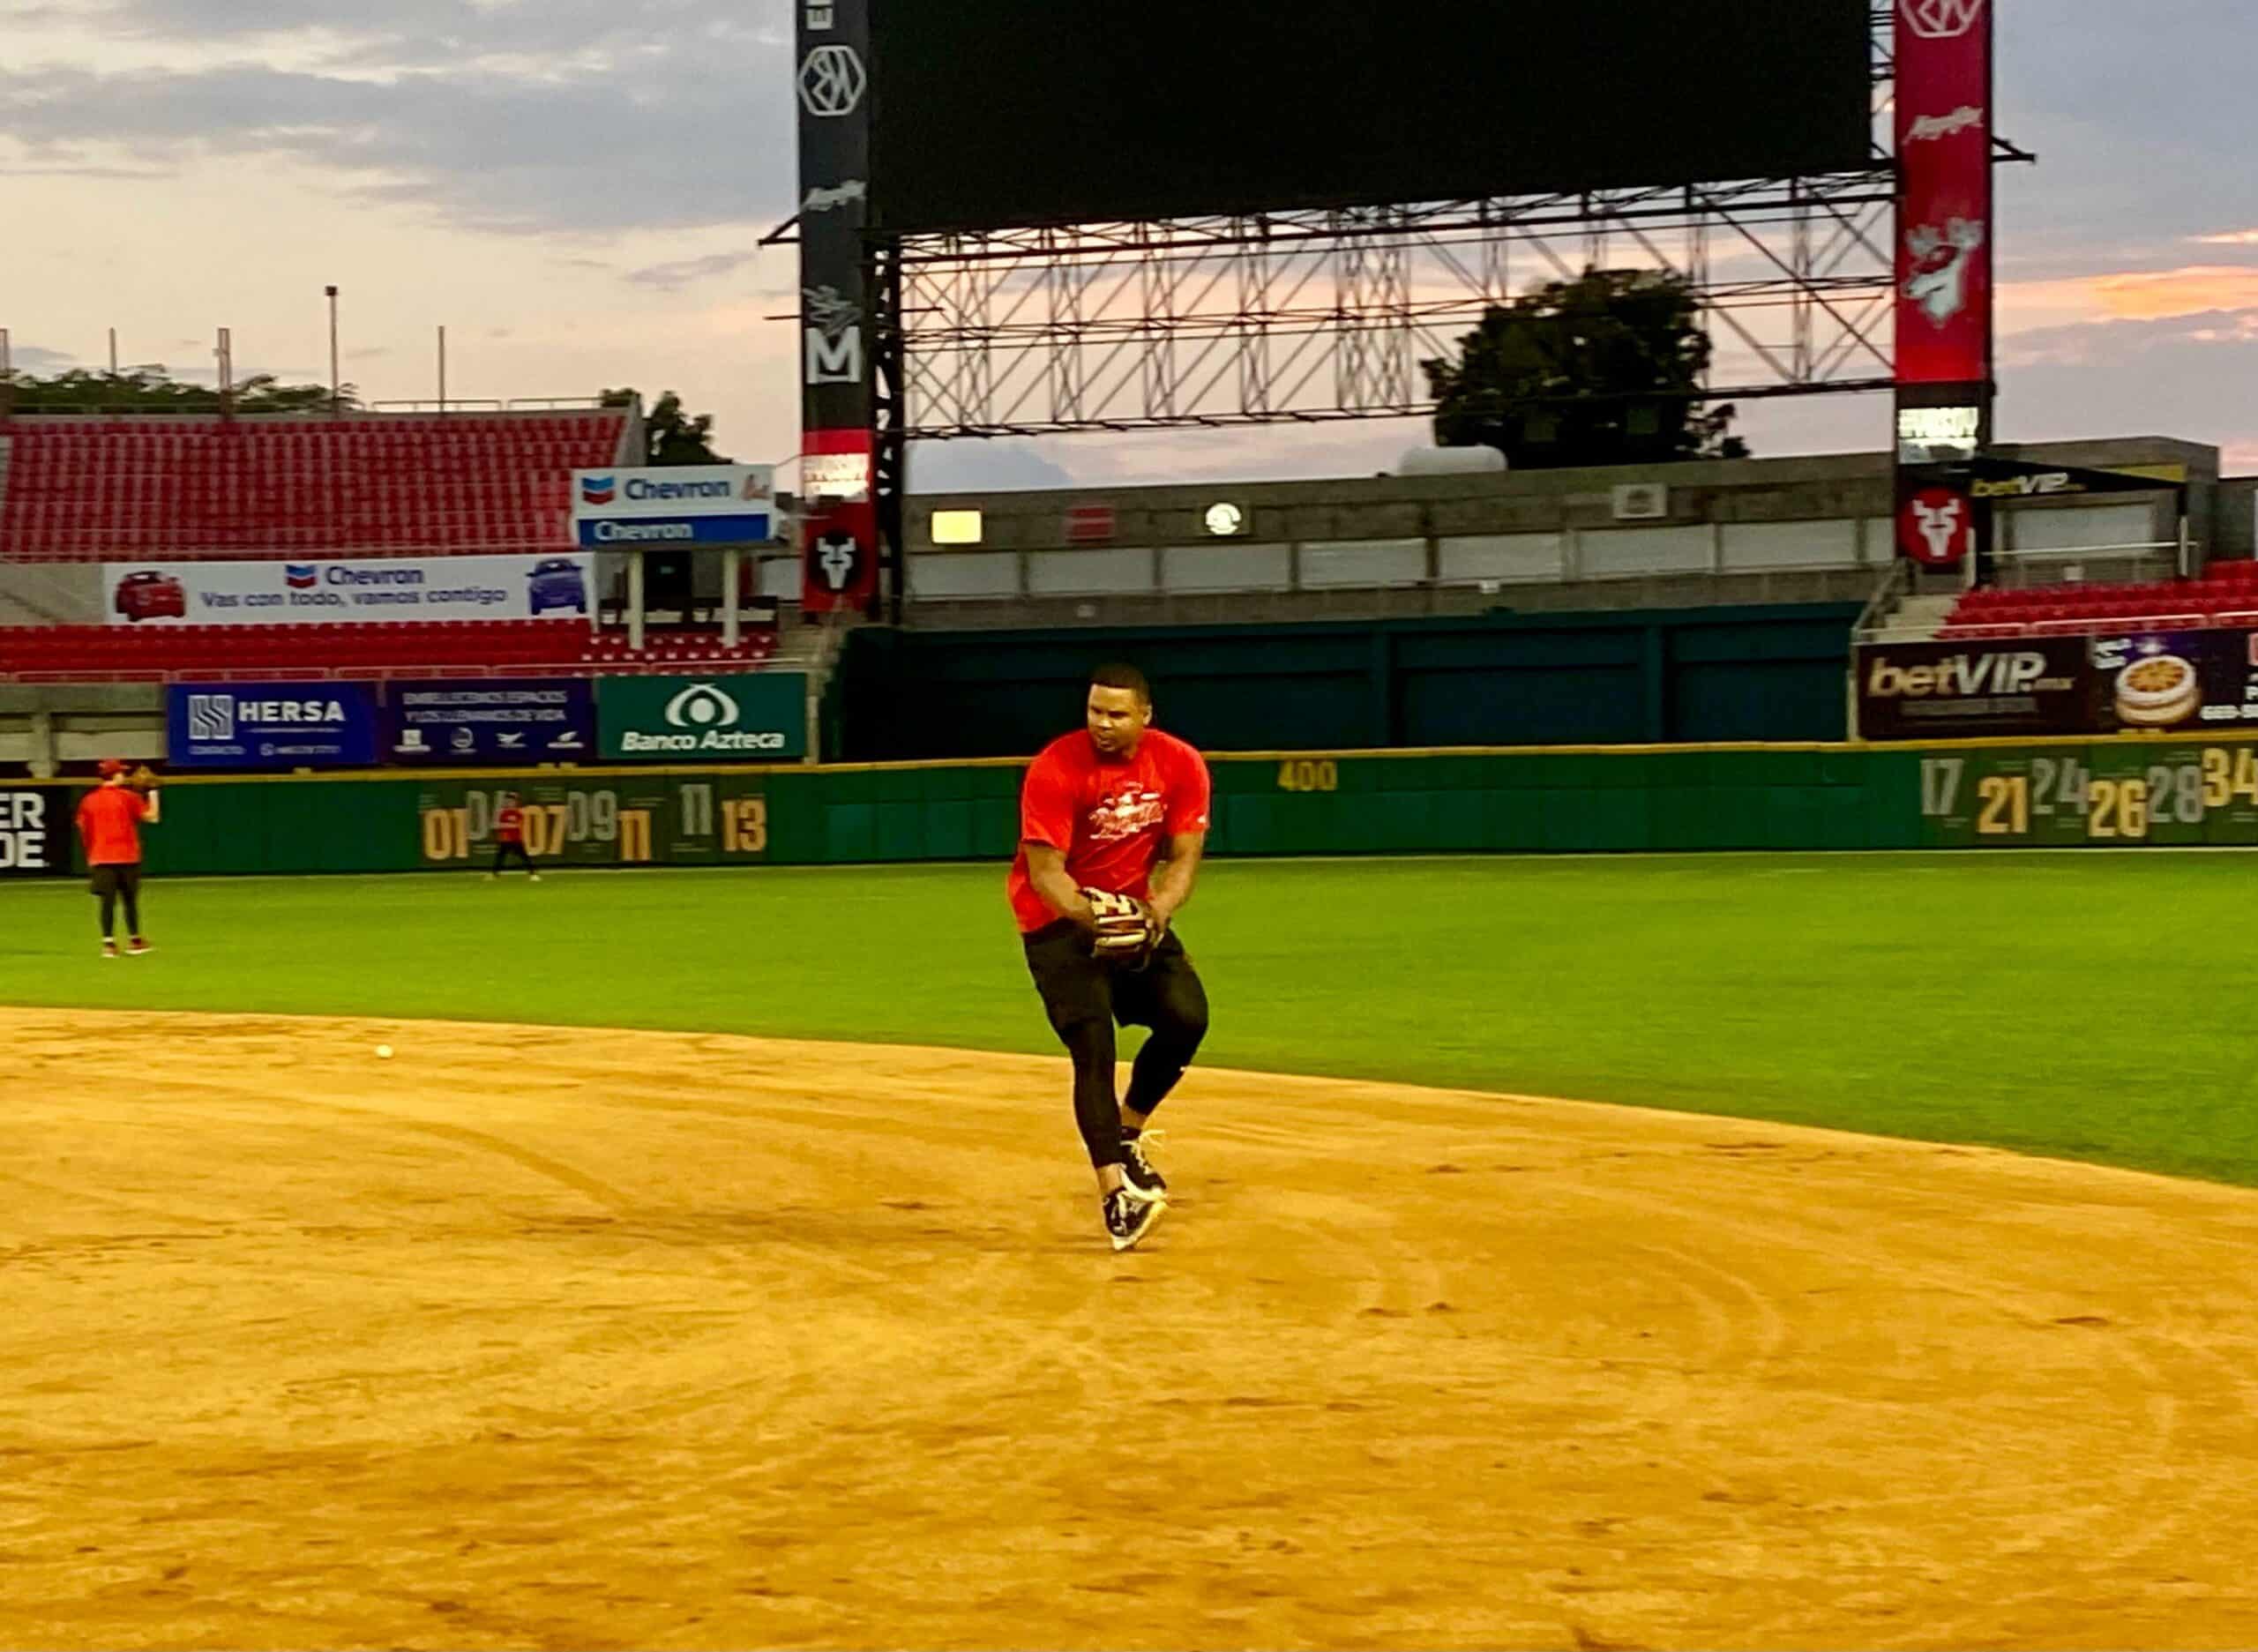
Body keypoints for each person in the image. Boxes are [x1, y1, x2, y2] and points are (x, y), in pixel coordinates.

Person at [1007, 664, 1211, 1252]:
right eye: (1095, 710)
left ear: (1145, 715)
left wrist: (1157, 912)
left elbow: (1184, 857)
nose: (1103, 723)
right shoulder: (1056, 766)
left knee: (1187, 1018)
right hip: (1055, 921)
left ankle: (1128, 1133)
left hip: (1133, 912)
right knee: (1093, 1045)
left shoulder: (1179, 763)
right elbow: (1047, 874)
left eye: (1117, 714)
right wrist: (1094, 919)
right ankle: (1116, 1194)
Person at [77, 759, 161, 959]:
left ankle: (108, 945)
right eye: (122, 772)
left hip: (101, 856)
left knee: (107, 902)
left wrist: (91, 854)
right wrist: (153, 791)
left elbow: (83, 828)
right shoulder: (127, 797)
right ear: (115, 775)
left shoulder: (88, 800)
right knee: (129, 900)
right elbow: (153, 817)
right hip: (127, 856)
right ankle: (135, 941)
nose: (124, 775)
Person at [487, 792, 540, 882]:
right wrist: (507, 826)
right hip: (506, 840)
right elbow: (501, 826)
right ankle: (494, 874)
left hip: (516, 840)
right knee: (500, 857)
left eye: (512, 801)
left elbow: (517, 825)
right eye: (508, 801)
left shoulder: (518, 813)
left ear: (515, 802)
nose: (509, 803)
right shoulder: (503, 813)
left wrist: (507, 825)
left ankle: (533, 874)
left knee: (525, 857)